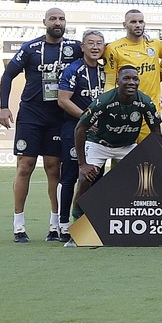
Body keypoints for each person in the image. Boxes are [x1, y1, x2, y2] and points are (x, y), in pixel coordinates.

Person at [0, 7, 82, 243]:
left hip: (58, 116)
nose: (57, 22)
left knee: (54, 168)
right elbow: (7, 76)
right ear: (44, 21)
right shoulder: (30, 48)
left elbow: (98, 53)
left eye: (62, 18)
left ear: (66, 23)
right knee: (25, 165)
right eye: (53, 18)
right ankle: (18, 226)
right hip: (31, 114)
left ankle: (55, 225)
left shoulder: (74, 48)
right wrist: (4, 106)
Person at [71, 65, 162, 217]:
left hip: (126, 146)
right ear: (118, 82)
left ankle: (128, 219)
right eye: (126, 78)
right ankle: (76, 224)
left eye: (135, 79)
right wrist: (83, 164)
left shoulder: (145, 102)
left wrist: (157, 157)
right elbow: (80, 128)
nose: (131, 82)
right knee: (85, 178)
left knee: (145, 179)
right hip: (99, 144)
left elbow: (156, 131)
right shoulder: (104, 101)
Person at [56, 29, 105, 239]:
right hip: (75, 130)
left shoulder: (107, 71)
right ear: (82, 47)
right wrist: (87, 119)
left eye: (99, 43)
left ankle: (87, 222)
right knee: (70, 177)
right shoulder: (73, 70)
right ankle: (64, 224)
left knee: (96, 177)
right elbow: (63, 100)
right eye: (90, 43)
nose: (95, 47)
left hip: (100, 134)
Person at [103, 9, 162, 142]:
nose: (138, 25)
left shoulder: (155, 44)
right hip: (125, 110)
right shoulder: (113, 48)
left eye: (141, 21)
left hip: (151, 110)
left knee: (152, 156)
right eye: (133, 22)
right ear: (125, 25)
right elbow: (110, 81)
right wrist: (109, 105)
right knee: (123, 156)